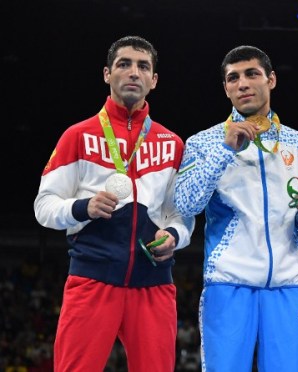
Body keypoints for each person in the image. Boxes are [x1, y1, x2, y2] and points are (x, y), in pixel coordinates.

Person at [33, 35, 195, 371]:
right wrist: (83, 208)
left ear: (154, 80)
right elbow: (44, 206)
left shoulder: (173, 144)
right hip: (92, 281)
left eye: (143, 66)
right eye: (124, 64)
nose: (133, 72)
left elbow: (181, 215)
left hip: (154, 286)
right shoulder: (78, 136)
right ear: (107, 74)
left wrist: (175, 237)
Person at [173, 45, 298, 371]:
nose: (243, 83)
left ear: (271, 80)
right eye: (233, 78)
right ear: (226, 89)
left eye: (252, 74)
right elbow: (186, 204)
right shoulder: (203, 142)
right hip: (228, 284)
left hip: (288, 286)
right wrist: (225, 151)